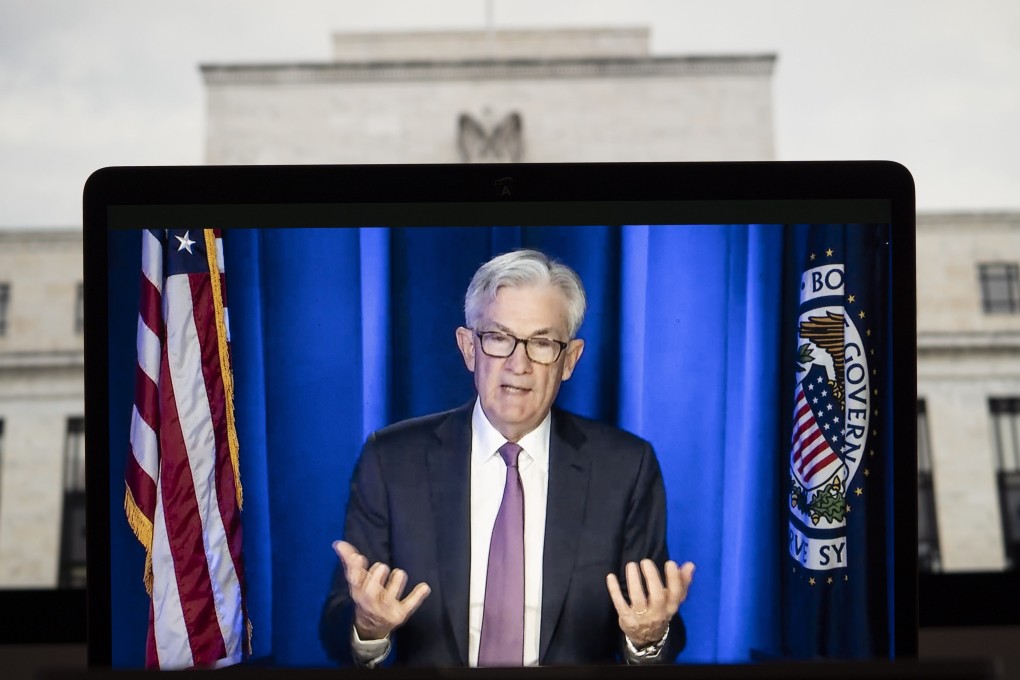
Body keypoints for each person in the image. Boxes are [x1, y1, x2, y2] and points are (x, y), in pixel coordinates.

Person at [319, 249, 695, 667]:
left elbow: (660, 627)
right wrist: (369, 627)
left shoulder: (626, 468)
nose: (519, 364)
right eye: (499, 338)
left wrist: (648, 637)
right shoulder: (391, 460)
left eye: (542, 343)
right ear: (468, 348)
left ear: (569, 360)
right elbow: (337, 629)